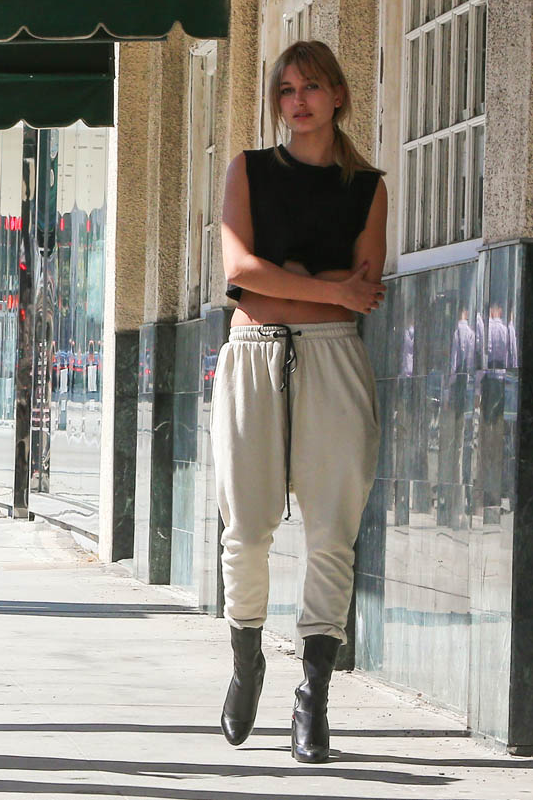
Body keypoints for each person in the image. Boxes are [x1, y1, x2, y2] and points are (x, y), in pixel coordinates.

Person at [213, 40, 387, 764]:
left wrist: (286, 278)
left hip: (334, 358)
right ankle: (246, 656)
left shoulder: (368, 187)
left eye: (311, 86)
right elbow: (240, 272)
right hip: (253, 355)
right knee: (246, 526)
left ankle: (313, 695)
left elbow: (363, 292)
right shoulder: (248, 171)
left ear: (338, 94)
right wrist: (324, 286)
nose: (298, 101)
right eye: (286, 89)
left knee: (332, 531)